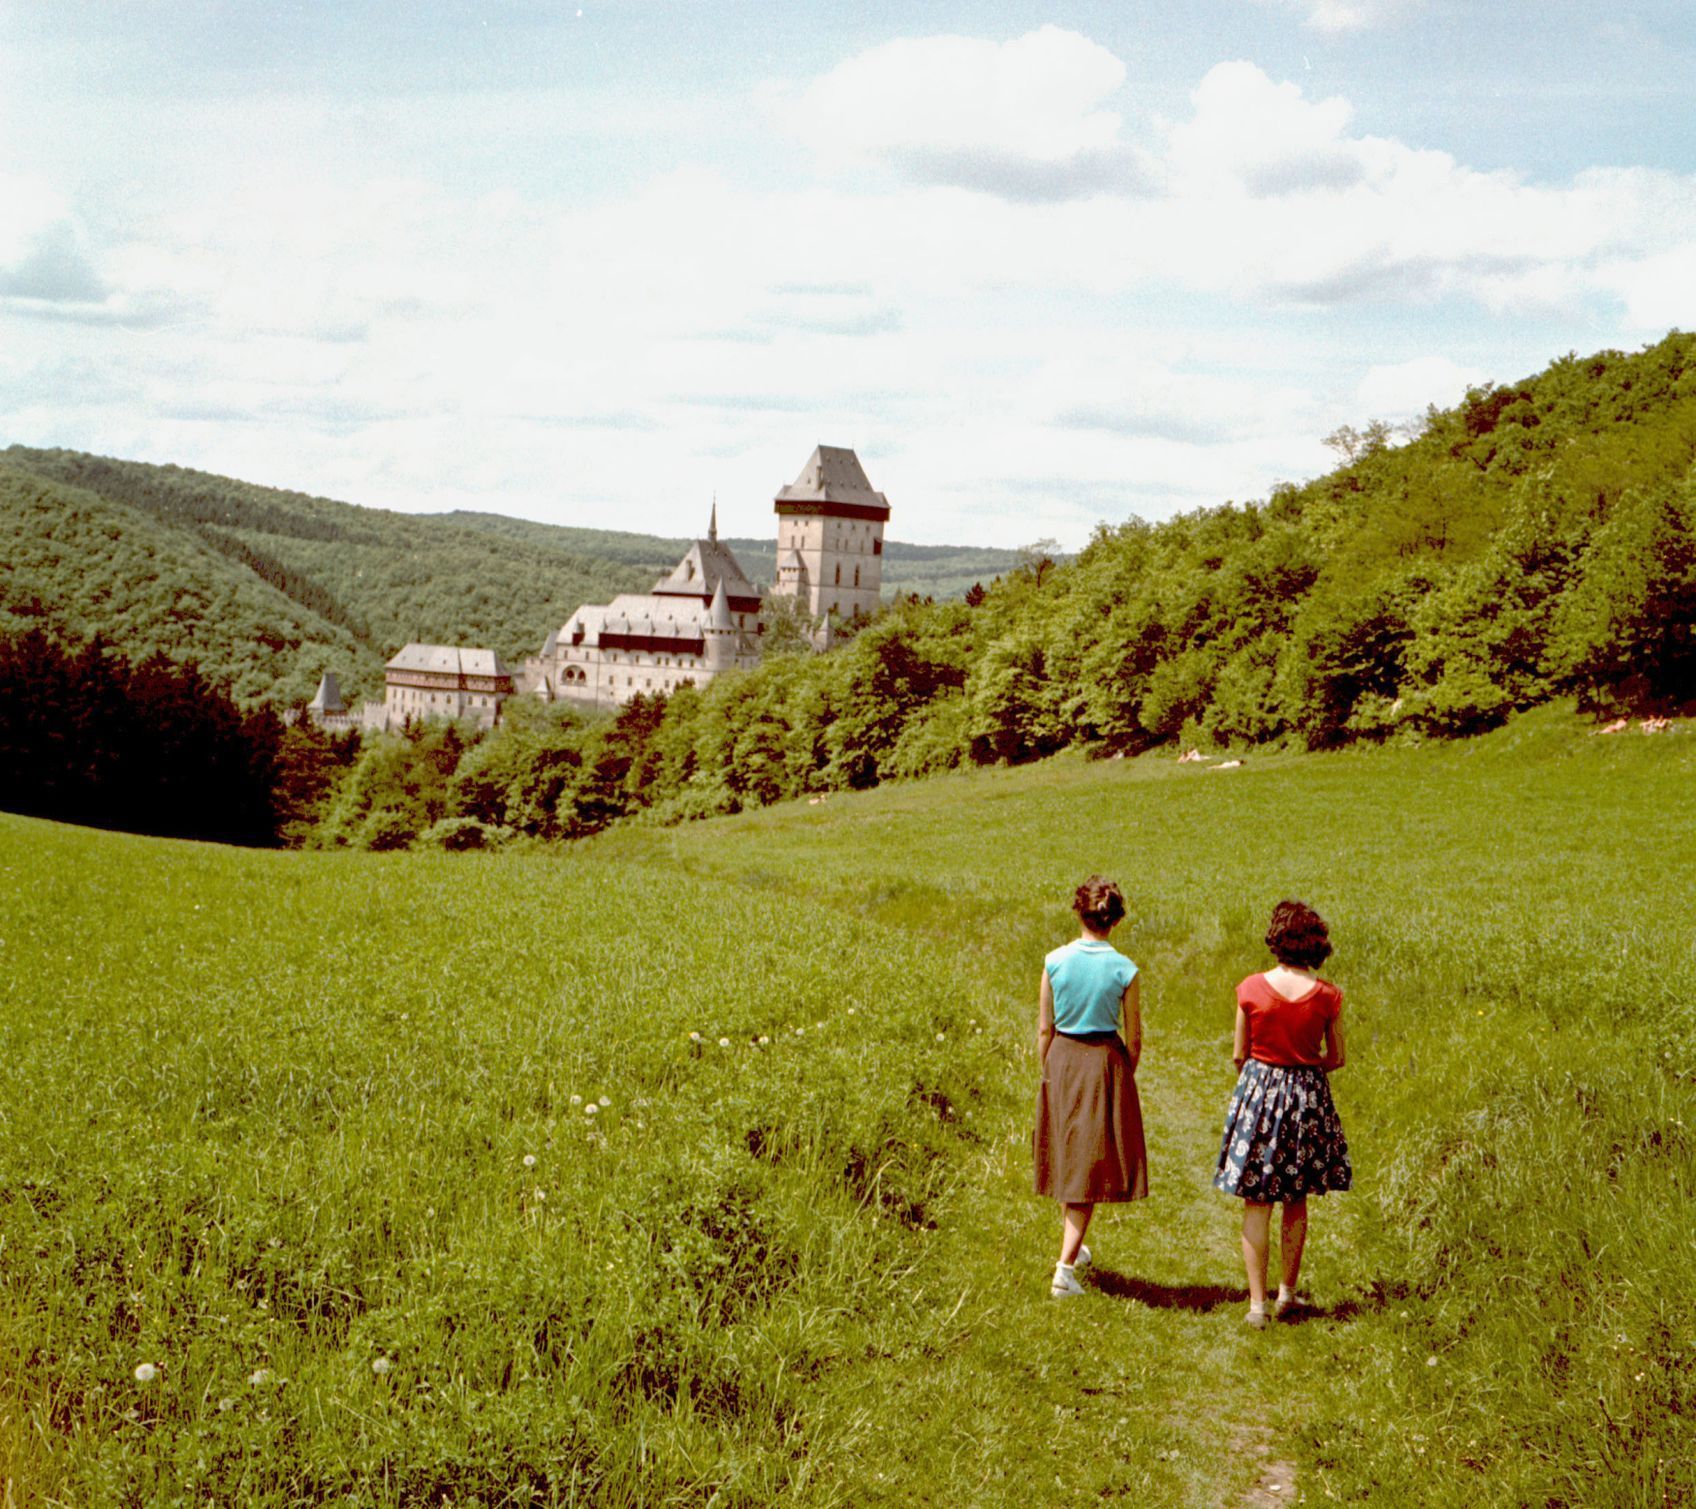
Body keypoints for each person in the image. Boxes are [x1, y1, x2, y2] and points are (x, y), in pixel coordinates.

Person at [1214, 899, 1352, 1328]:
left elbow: (1240, 1053)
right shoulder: (1328, 996)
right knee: (1296, 1199)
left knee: (1257, 1201)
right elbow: (1338, 1057)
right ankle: (1287, 1294)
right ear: (1316, 944)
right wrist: (1306, 1071)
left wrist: (1262, 1075)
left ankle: (1257, 1304)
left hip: (1259, 1093)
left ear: (1276, 939)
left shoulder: (1250, 988)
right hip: (1306, 1098)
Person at [1033, 875, 1148, 1298]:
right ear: (1114, 920)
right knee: (1089, 1166)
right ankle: (1064, 1271)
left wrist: (1049, 1067)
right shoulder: (1125, 968)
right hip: (1103, 1060)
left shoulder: (1054, 961)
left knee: (1070, 1155)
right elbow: (1134, 1038)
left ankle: (1073, 1249)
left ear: (1079, 913)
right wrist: (1121, 1071)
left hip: (1062, 1057)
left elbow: (1045, 1027)